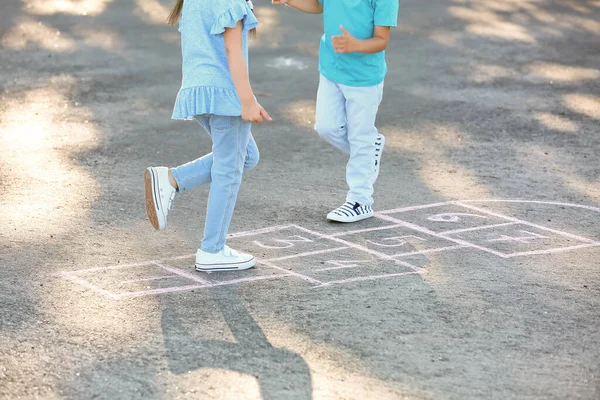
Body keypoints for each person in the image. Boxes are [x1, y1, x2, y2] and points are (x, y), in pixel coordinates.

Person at [144, 0, 271, 271]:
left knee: (246, 156)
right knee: (229, 169)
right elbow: (232, 49)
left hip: (198, 89)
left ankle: (171, 179)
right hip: (224, 94)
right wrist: (247, 101)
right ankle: (212, 249)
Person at [273, 0, 398, 223]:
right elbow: (319, 5)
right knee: (326, 127)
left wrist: (355, 45)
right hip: (331, 69)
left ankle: (361, 200)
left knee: (360, 137)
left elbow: (382, 40)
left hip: (364, 79)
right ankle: (370, 148)